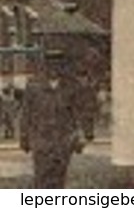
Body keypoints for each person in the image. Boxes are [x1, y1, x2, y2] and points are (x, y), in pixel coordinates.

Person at [21, 59, 86, 188]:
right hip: (41, 142)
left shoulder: (69, 87)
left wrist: (79, 135)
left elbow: (77, 114)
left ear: (61, 67)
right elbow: (26, 114)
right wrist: (24, 137)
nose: (54, 69)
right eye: (51, 65)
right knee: (41, 179)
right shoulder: (34, 86)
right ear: (45, 67)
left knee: (59, 179)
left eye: (58, 65)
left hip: (63, 143)